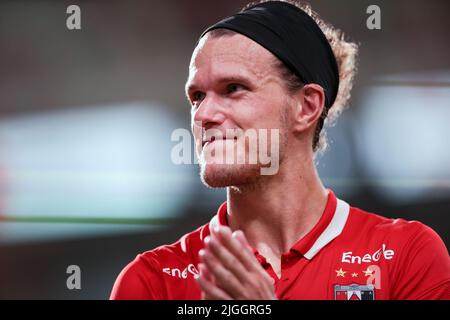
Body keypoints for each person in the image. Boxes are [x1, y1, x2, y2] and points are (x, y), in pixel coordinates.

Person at [110, 0, 450, 300]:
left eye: (233, 88)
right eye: (197, 96)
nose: (204, 115)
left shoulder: (407, 255)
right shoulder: (151, 282)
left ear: (306, 106)